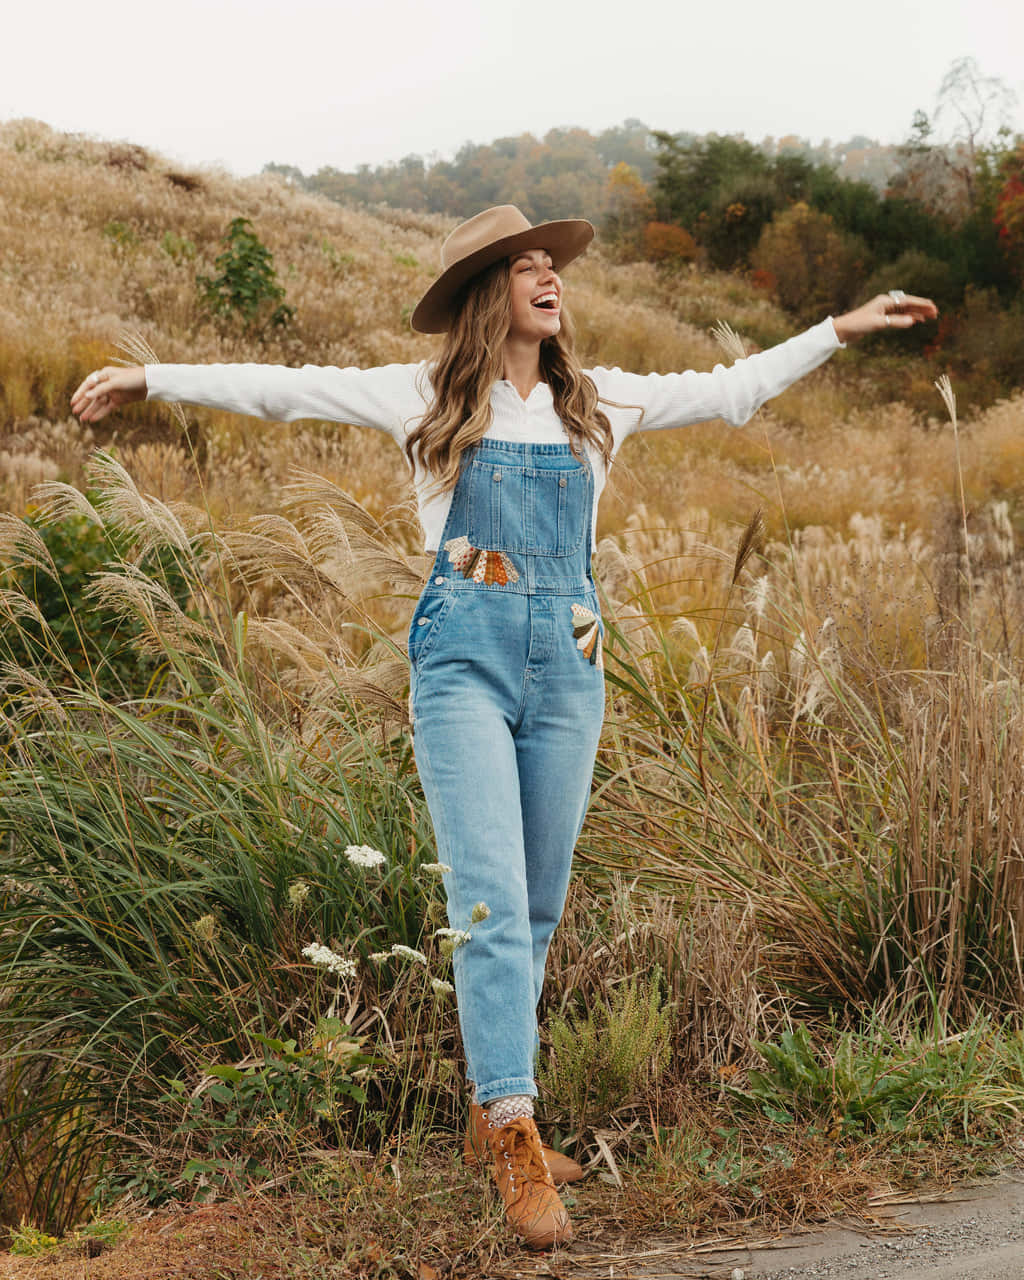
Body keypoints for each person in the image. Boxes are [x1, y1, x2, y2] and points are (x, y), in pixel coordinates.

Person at [72, 205, 937, 1249]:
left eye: (551, 264)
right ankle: (517, 1129)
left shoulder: (597, 403)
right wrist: (150, 376)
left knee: (535, 902)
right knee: (484, 898)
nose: (548, 277)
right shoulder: (427, 396)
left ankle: (490, 1116)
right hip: (463, 663)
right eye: (525, 266)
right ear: (489, 292)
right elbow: (282, 385)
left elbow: (731, 390)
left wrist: (838, 328)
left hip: (571, 664)